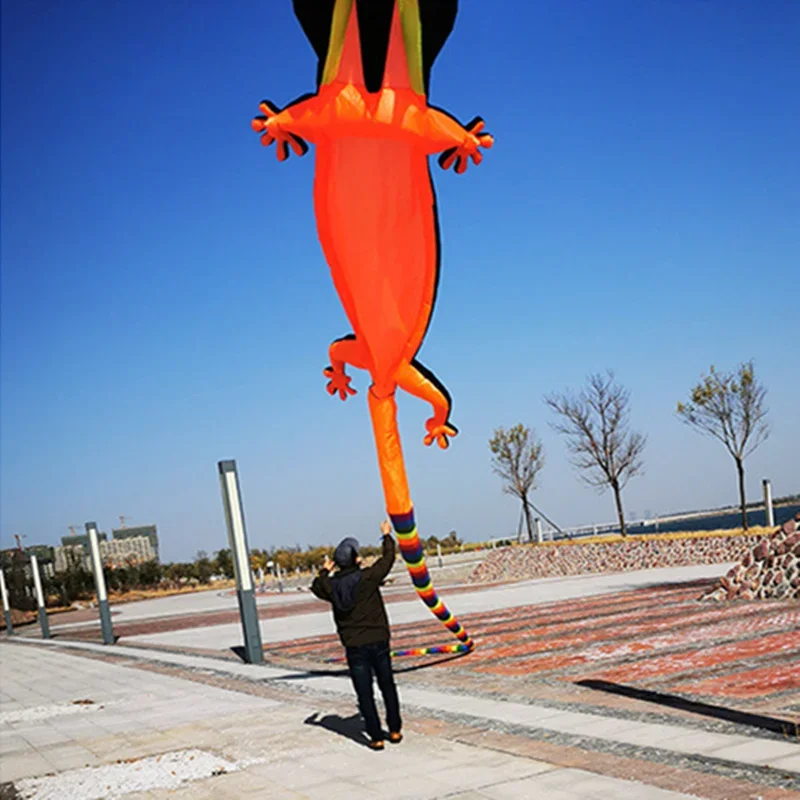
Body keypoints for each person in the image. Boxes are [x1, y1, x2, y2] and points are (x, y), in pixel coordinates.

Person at [311, 520, 402, 750]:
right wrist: (386, 536)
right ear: (357, 559)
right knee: (387, 685)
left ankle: (375, 736)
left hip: (354, 646)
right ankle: (394, 729)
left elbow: (316, 585)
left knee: (364, 692)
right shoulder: (367, 578)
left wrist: (325, 569)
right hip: (378, 640)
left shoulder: (332, 587)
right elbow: (388, 559)